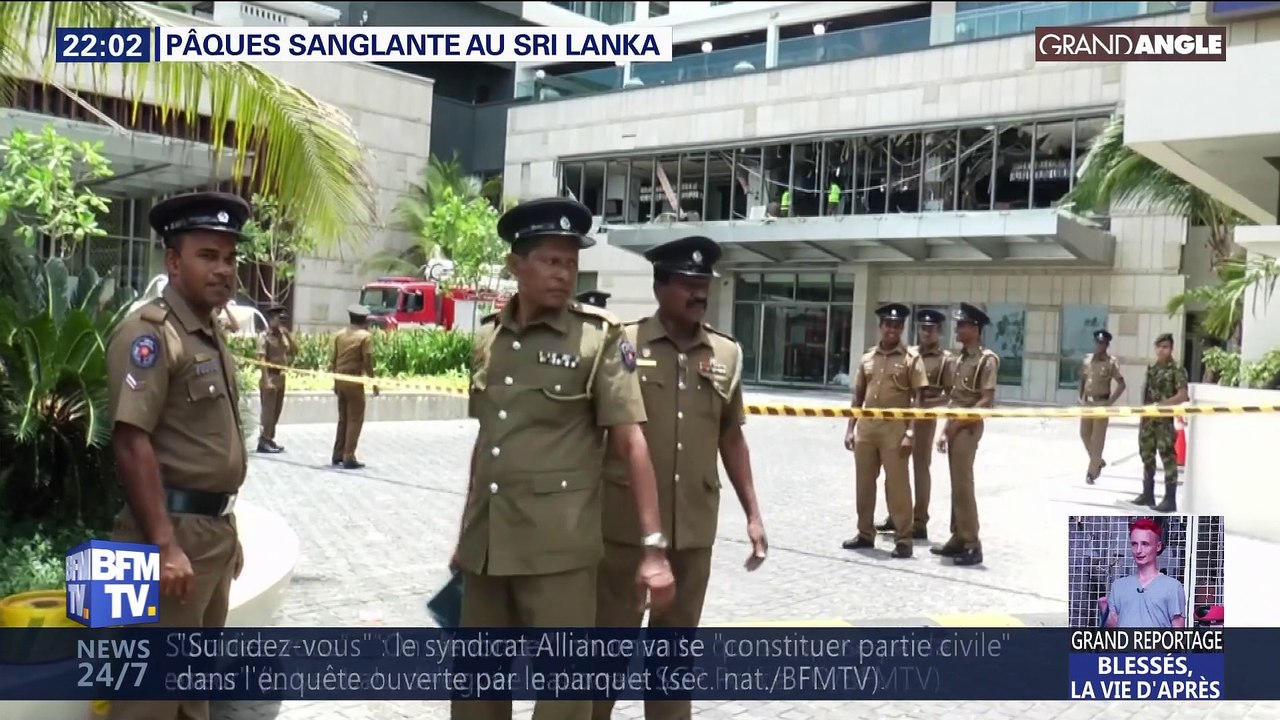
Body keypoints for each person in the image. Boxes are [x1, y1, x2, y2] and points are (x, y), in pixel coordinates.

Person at [450, 198, 675, 720]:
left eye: (571, 262)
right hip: (488, 548)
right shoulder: (488, 339)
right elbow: (489, 441)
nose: (564, 273)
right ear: (516, 266)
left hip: (560, 552)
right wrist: (465, 532)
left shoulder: (598, 339)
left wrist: (653, 549)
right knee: (476, 695)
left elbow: (631, 443)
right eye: (551, 261)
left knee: (563, 698)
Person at [593, 235, 768, 720]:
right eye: (688, 284)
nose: (699, 294)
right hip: (623, 528)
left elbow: (731, 436)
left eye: (704, 284)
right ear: (660, 287)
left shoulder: (726, 354)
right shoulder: (621, 343)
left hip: (693, 528)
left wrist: (753, 514)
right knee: (606, 651)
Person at [103, 192, 252, 720]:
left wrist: (228, 529)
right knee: (147, 702)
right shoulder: (150, 333)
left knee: (194, 699)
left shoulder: (209, 332)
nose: (224, 270)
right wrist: (166, 546)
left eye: (230, 258)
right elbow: (130, 439)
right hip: (164, 544)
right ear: (173, 261)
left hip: (207, 537)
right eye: (208, 256)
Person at [843, 303, 928, 558]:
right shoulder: (867, 357)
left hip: (895, 430)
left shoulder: (911, 359)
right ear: (880, 327)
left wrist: (911, 432)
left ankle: (904, 539)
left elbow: (919, 398)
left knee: (898, 486)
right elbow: (858, 396)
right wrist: (850, 429)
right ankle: (865, 534)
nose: (892, 329)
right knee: (864, 483)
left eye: (897, 326)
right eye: (888, 325)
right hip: (867, 429)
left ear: (902, 329)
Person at [931, 302, 998, 567]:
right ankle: (957, 536)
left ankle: (972, 543)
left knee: (964, 484)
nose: (957, 329)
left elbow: (986, 400)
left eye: (962, 325)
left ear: (976, 328)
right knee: (956, 483)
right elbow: (953, 398)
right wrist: (947, 428)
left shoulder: (986, 360)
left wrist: (957, 425)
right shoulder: (959, 359)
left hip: (969, 426)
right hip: (955, 423)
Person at [878, 308, 953, 541]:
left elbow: (950, 396)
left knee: (920, 469)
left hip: (923, 419)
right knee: (894, 469)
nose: (925, 333)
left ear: (939, 332)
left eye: (930, 329)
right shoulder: (908, 354)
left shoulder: (945, 360)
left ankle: (920, 521)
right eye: (922, 328)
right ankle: (896, 515)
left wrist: (926, 403)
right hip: (900, 418)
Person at [1134, 333, 1188, 511]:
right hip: (1149, 419)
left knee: (1167, 458)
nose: (1161, 350)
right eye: (1158, 347)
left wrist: (1162, 405)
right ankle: (1147, 494)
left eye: (1165, 347)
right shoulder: (1153, 369)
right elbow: (1147, 394)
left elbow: (1182, 395)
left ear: (1171, 349)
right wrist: (1144, 416)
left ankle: (1169, 500)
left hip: (1164, 420)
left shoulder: (1177, 369)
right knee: (1147, 455)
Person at [1101, 518, 1186, 628]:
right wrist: (1104, 611)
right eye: (1134, 544)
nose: (1138, 550)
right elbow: (1112, 629)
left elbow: (1179, 635)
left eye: (1145, 544)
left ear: (1158, 546)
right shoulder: (1119, 586)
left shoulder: (1173, 587)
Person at [330, 305, 377, 469]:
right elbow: (367, 361)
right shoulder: (365, 337)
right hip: (354, 380)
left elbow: (333, 360)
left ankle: (338, 453)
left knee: (343, 419)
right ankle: (349, 456)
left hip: (340, 379)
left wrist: (335, 382)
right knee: (355, 420)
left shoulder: (339, 335)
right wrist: (373, 382)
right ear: (365, 320)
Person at [1078, 329, 1126, 484]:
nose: (1099, 346)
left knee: (1097, 439)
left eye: (1102, 344)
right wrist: (1080, 397)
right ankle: (1097, 460)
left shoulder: (1111, 362)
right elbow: (1083, 378)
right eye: (1097, 343)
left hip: (1101, 403)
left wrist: (1109, 402)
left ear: (1106, 345)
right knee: (1084, 434)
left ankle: (1092, 472)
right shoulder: (1087, 360)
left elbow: (1121, 384)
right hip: (1088, 403)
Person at [256, 304, 297, 454]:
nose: (281, 323)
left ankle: (270, 438)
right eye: (279, 319)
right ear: (271, 319)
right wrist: (266, 380)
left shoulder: (283, 335)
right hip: (270, 376)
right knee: (268, 411)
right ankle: (263, 440)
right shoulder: (264, 336)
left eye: (283, 320)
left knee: (276, 411)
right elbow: (261, 359)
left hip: (281, 376)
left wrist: (289, 336)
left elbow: (294, 350)